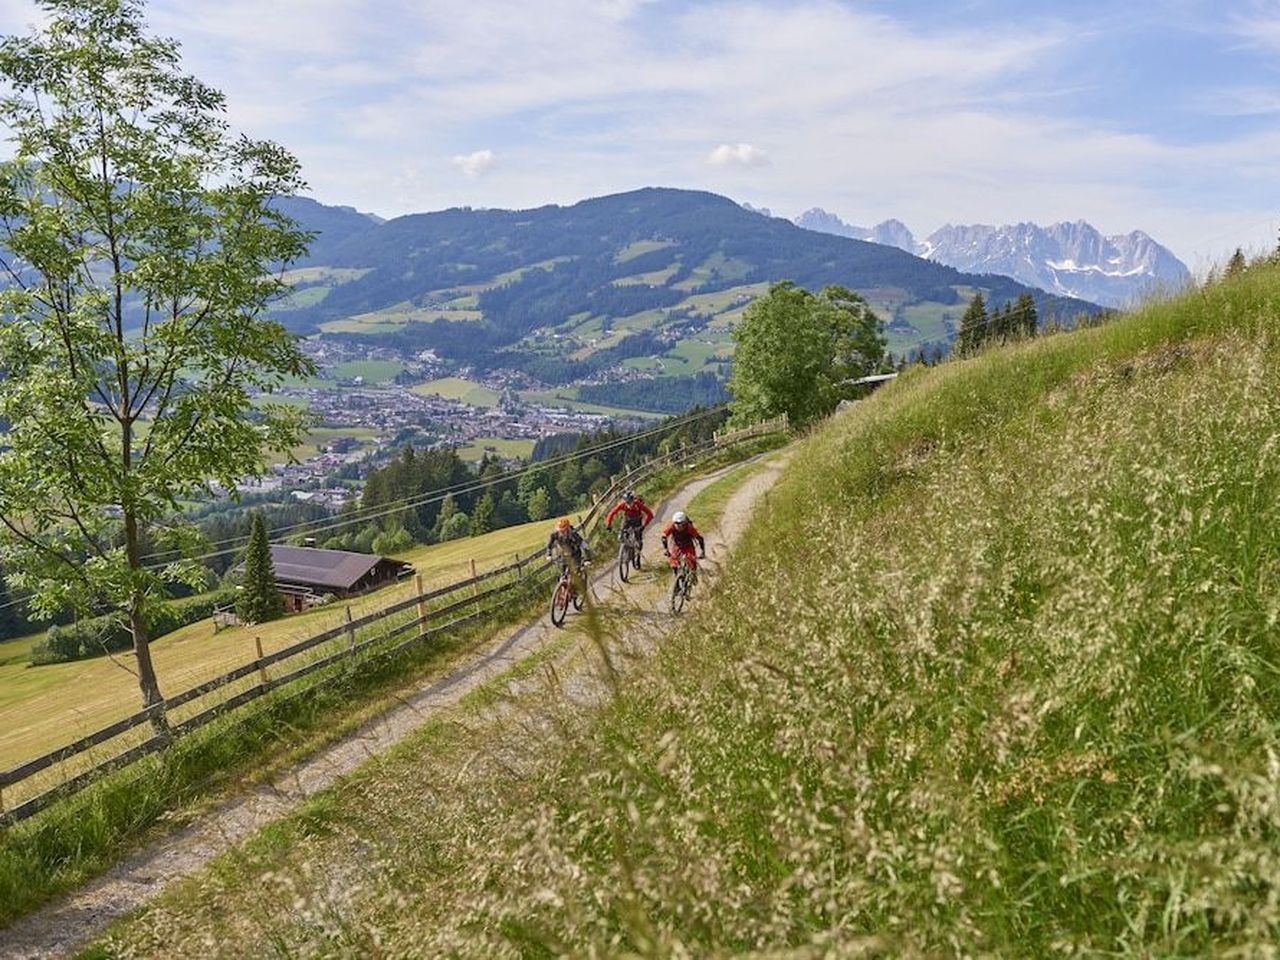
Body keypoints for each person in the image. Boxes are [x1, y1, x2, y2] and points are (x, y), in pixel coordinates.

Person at [660, 511, 706, 583]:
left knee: (691, 561)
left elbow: (700, 538)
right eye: (677, 524)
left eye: (681, 524)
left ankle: (693, 575)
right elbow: (664, 537)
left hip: (688, 546)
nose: (679, 526)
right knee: (673, 561)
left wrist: (703, 551)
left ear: (685, 523)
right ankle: (676, 577)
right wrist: (666, 550)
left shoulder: (689, 528)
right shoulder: (671, 527)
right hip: (677, 546)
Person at [604, 489, 654, 556]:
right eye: (627, 502)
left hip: (637, 520)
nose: (629, 504)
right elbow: (612, 513)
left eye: (630, 502)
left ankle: (638, 555)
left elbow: (650, 514)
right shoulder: (622, 504)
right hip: (627, 519)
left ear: (633, 500)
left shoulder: (638, 504)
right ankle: (627, 548)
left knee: (638, 538)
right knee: (621, 536)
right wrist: (608, 524)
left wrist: (644, 526)